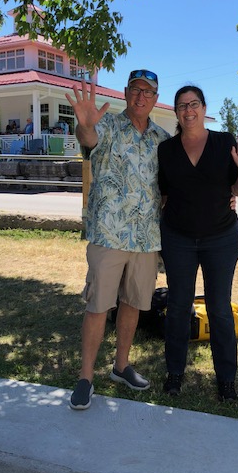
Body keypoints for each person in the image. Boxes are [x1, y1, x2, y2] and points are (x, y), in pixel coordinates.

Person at [64, 70, 170, 410]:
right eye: (136, 89)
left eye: (148, 92)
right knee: (98, 305)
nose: (141, 96)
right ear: (125, 93)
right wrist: (84, 125)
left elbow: (176, 183)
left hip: (146, 239)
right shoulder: (107, 126)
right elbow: (88, 138)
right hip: (108, 234)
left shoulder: (163, 139)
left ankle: (121, 366)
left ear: (155, 99)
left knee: (133, 303)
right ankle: (85, 377)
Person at [157, 85, 238, 402]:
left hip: (221, 239)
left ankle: (226, 380)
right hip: (178, 239)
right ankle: (174, 374)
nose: (188, 110)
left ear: (203, 107)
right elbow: (164, 196)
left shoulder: (224, 142)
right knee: (178, 307)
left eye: (194, 104)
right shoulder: (166, 150)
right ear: (176, 112)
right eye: (182, 105)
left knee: (219, 309)